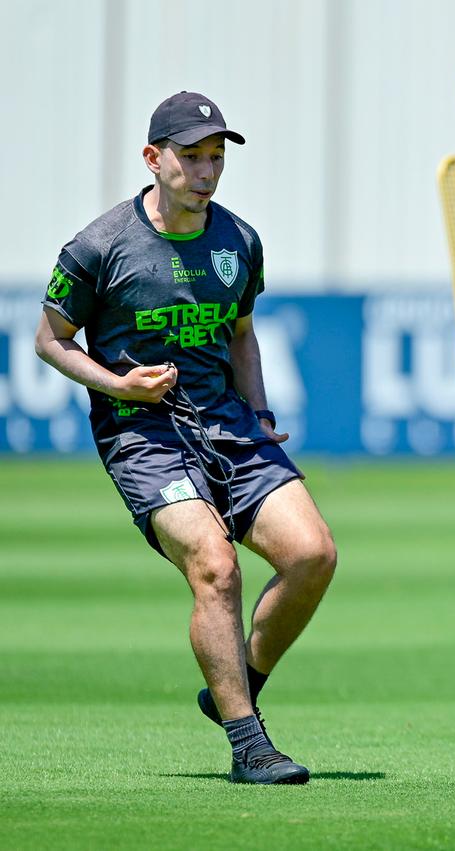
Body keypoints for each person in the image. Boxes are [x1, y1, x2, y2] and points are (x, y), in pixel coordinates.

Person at [35, 92, 337, 784]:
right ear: (153, 159)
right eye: (192, 157)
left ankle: (238, 680)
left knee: (314, 553)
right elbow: (49, 340)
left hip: (229, 423)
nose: (206, 172)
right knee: (214, 563)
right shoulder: (97, 247)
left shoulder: (239, 240)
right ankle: (249, 744)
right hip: (143, 434)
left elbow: (240, 333)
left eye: (216, 158)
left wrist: (258, 413)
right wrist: (119, 386)